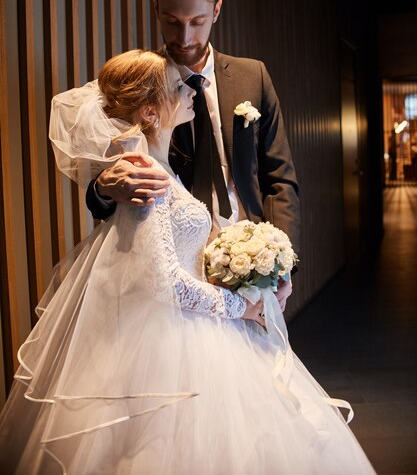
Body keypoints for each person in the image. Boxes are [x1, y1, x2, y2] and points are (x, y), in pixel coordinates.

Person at [0, 50, 375, 474]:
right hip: (180, 327)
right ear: (149, 111)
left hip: (195, 310)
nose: (190, 88)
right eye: (179, 87)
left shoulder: (162, 162)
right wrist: (240, 307)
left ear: (214, 10)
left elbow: (275, 181)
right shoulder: (146, 176)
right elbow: (165, 282)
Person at [86, 0, 299, 311]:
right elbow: (103, 191)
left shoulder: (253, 76)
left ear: (216, 11)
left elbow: (279, 177)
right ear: (156, 6)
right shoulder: (142, 86)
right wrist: (106, 185)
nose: (184, 37)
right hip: (180, 277)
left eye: (197, 21)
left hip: (252, 266)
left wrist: (283, 262)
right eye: (171, 21)